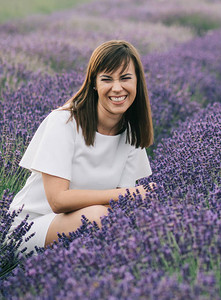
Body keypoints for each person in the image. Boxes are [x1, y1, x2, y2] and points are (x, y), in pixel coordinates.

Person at [8, 40, 156, 252]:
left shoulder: (131, 134)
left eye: (125, 78)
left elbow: (121, 207)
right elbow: (58, 200)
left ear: (137, 82)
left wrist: (132, 199)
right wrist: (132, 194)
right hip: (27, 227)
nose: (117, 88)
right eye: (107, 79)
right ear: (94, 83)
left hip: (82, 223)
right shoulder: (64, 122)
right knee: (98, 217)